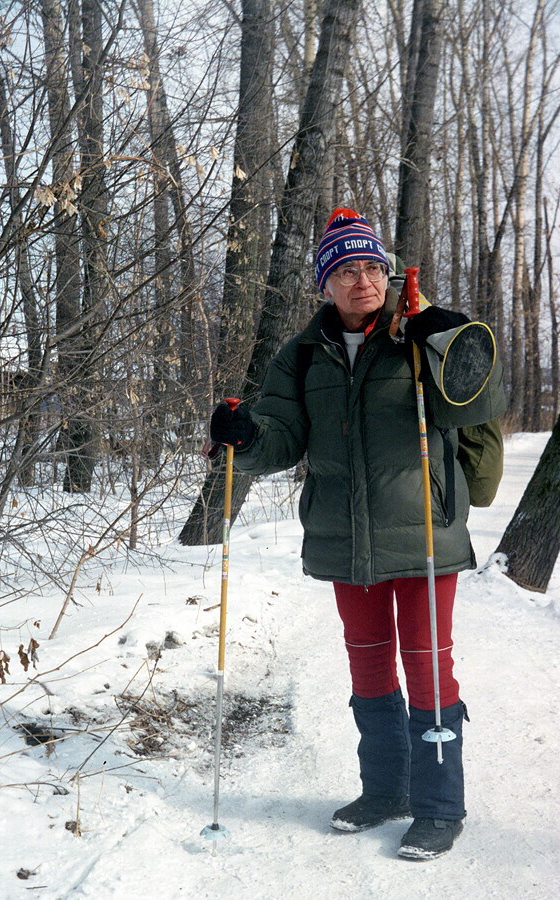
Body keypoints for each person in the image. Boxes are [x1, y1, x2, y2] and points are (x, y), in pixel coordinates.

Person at [209, 208, 504, 860]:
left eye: (371, 266)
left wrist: (445, 334)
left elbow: (480, 400)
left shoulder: (420, 333)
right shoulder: (301, 356)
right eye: (345, 270)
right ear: (325, 284)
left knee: (428, 667)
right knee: (368, 666)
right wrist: (247, 436)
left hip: (425, 530)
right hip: (345, 538)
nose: (362, 280)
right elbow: (281, 438)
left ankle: (438, 809)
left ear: (387, 272)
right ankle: (386, 791)